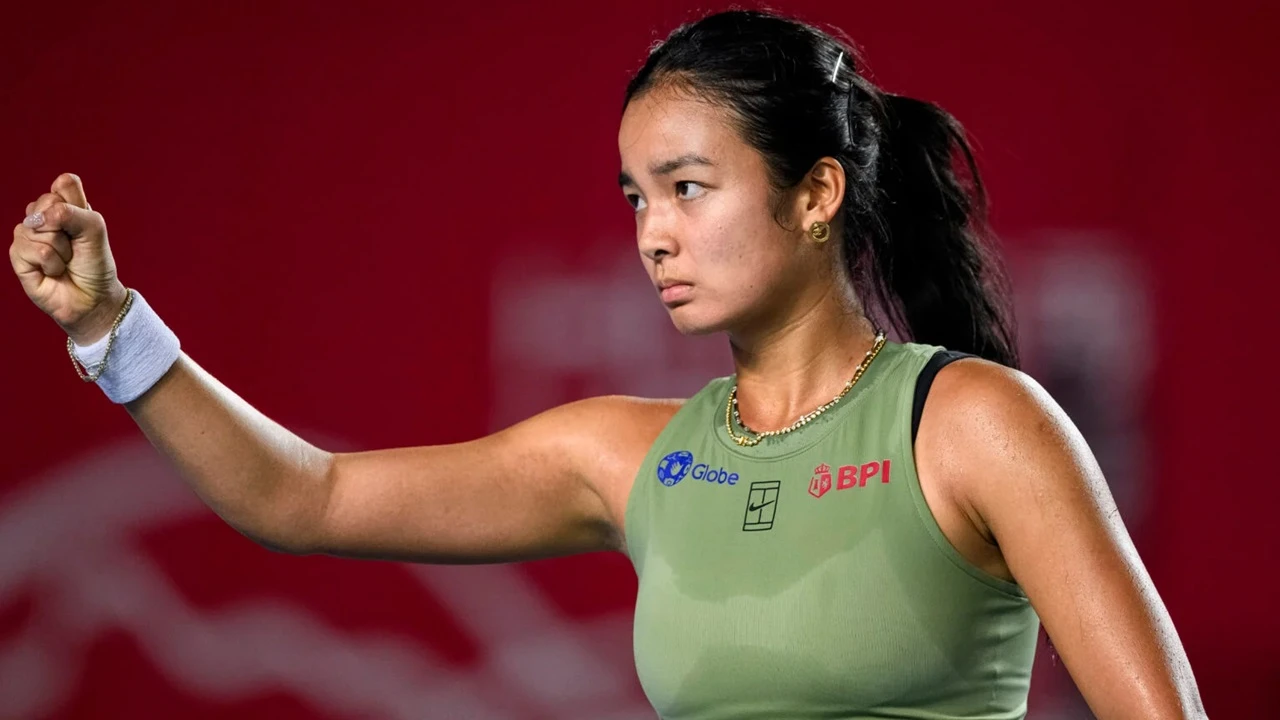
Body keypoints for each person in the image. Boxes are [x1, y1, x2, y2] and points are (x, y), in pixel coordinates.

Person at [10, 9, 1205, 720]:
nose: (652, 233)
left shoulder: (976, 423)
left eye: (687, 188)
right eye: (636, 197)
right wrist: (112, 328)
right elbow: (303, 496)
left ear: (814, 194)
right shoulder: (624, 455)